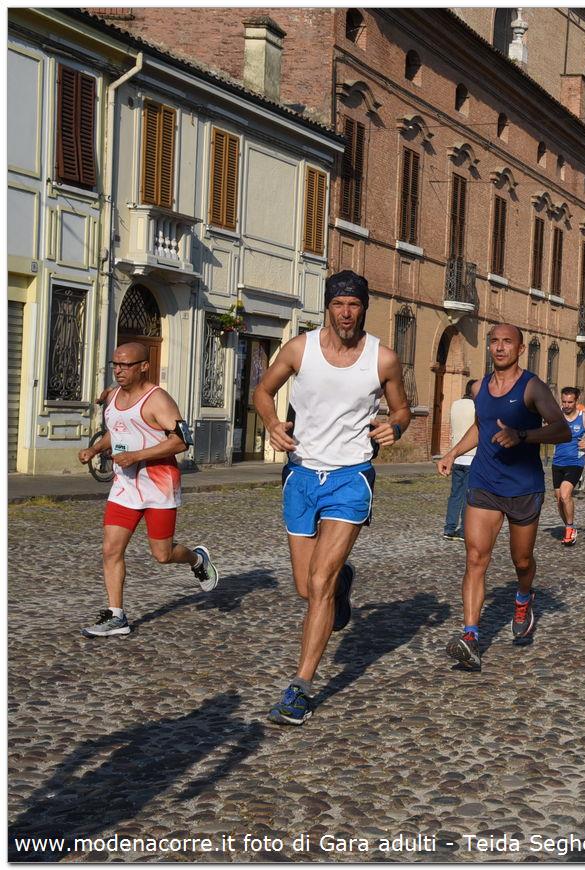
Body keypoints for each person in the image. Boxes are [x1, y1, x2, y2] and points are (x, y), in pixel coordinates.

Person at [254, 270, 411, 725]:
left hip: (351, 476)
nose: (346, 312)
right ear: (328, 307)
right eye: (339, 304)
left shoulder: (382, 358)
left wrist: (396, 426)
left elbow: (401, 408)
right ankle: (343, 583)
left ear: (364, 309)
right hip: (301, 475)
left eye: (354, 305)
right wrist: (272, 423)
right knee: (307, 588)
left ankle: (300, 688)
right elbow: (263, 391)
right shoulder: (299, 349)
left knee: (319, 581)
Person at [437, 323, 570, 669]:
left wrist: (522, 435)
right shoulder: (481, 386)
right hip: (484, 483)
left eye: (507, 342)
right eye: (494, 341)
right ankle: (470, 636)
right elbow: (482, 426)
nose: (499, 347)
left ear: (520, 349)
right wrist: (453, 453)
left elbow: (562, 429)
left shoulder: (532, 387)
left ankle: (524, 597)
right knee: (475, 558)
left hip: (523, 487)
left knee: (521, 561)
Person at [77, 343, 219, 637]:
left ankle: (197, 559)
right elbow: (117, 430)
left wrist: (136, 456)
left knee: (162, 554)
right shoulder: (113, 396)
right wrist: (95, 449)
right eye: (115, 364)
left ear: (144, 366)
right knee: (110, 549)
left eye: (126, 365)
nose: (119, 370)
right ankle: (116, 615)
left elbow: (181, 441)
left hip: (159, 486)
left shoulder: (158, 400)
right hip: (125, 486)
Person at [553, 386, 585, 545]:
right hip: (558, 461)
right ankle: (568, 526)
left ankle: (570, 529)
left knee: (565, 495)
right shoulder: (557, 415)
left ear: (576, 401)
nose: (566, 405)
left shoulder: (584, 418)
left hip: (575, 462)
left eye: (570, 402)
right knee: (559, 499)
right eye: (564, 401)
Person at [442, 379, 478, 540]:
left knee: (455, 494)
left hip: (456, 457)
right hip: (473, 456)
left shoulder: (455, 404)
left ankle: (449, 528)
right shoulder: (477, 406)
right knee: (469, 496)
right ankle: (464, 530)